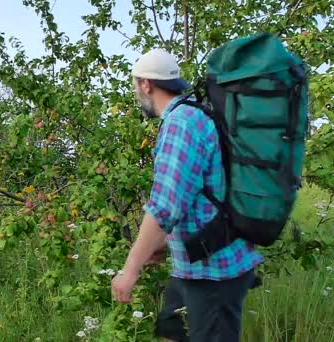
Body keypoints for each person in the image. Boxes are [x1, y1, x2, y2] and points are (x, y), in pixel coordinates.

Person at [110, 48, 263, 341]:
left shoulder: (181, 124)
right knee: (171, 331)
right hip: (193, 266)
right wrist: (165, 244)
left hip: (215, 272)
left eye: (135, 86)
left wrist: (130, 270)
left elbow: (164, 207)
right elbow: (196, 195)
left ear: (146, 84)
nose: (136, 93)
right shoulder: (194, 113)